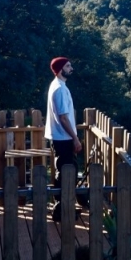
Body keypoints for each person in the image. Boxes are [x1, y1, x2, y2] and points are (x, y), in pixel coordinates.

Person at [46, 56, 83, 220]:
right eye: (68, 66)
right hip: (63, 138)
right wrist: (75, 138)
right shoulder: (59, 89)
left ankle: (62, 207)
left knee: (63, 172)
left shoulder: (58, 85)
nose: (71, 69)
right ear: (60, 69)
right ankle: (62, 210)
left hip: (60, 137)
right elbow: (63, 118)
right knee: (68, 173)